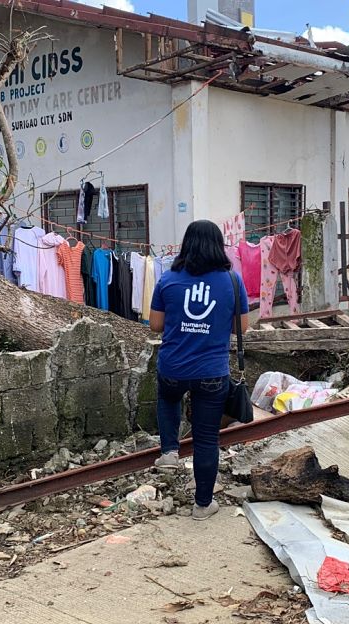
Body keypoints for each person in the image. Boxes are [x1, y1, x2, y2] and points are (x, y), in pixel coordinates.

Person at [149, 220, 249, 520]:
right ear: (218, 245)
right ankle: (203, 506)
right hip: (211, 371)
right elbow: (241, 327)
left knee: (168, 399)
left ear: (186, 244)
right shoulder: (232, 280)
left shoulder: (168, 279)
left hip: (173, 367)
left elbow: (155, 325)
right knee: (207, 439)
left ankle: (169, 451)